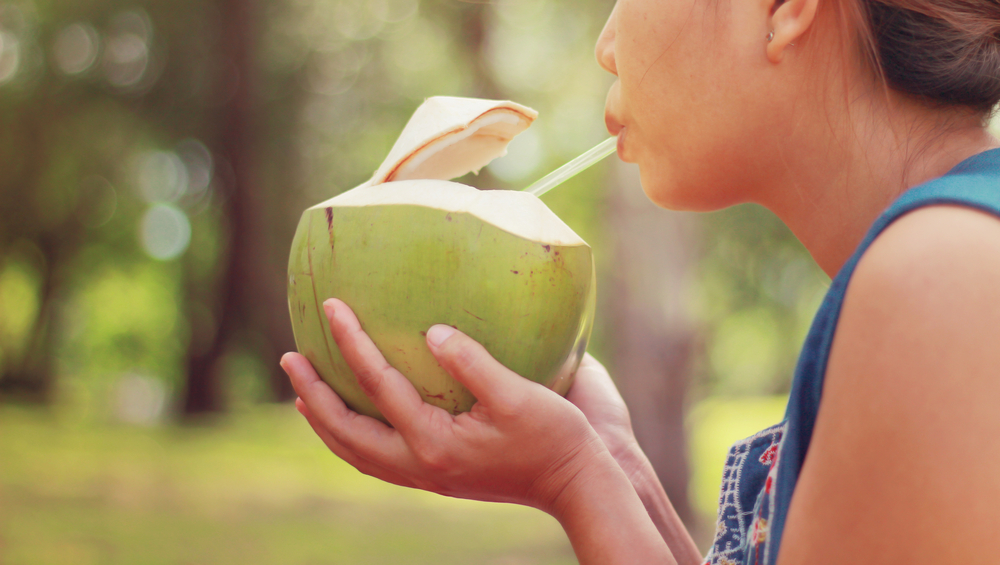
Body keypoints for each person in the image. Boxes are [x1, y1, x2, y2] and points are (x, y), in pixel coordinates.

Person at [279, 0, 1000, 561]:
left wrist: (571, 477)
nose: (607, 44)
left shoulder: (940, 284)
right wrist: (614, 466)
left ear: (783, 8)